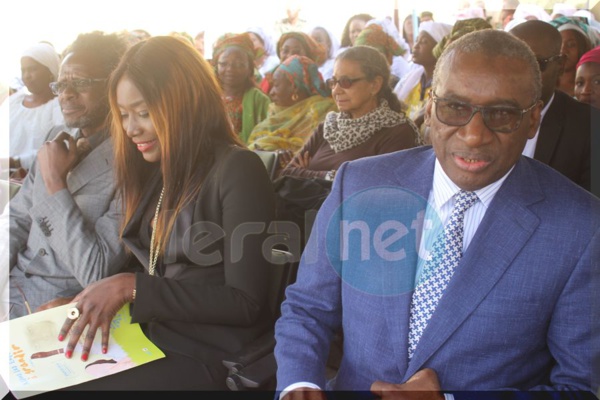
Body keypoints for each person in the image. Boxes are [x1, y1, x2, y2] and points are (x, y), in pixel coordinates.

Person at [274, 28, 599, 398]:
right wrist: (298, 383)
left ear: (533, 119)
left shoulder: (581, 228)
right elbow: (308, 307)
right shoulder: (360, 185)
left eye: (502, 113)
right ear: (430, 107)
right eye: (455, 108)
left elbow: (582, 387)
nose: (474, 134)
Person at [57, 35, 276, 391]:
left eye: (144, 113)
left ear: (185, 102)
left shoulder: (238, 169)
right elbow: (153, 266)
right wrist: (84, 302)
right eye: (124, 115)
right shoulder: (158, 170)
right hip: (148, 334)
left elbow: (246, 301)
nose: (131, 129)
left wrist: (133, 288)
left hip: (205, 350)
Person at [1, 31, 129, 320]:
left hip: (54, 307)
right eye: (61, 84)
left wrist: (54, 183)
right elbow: (17, 219)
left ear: (114, 86)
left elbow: (95, 271)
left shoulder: (132, 163)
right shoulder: (55, 138)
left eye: (81, 83)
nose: (66, 94)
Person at [279, 45, 418, 180]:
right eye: (334, 82)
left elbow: (370, 187)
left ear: (375, 85)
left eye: (346, 82)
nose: (336, 90)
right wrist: (330, 176)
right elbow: (288, 174)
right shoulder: (329, 127)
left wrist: (307, 173)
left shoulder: (397, 133)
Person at [510, 20, 593, 192]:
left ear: (560, 65)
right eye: (511, 62)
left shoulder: (589, 126)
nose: (520, 75)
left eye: (537, 64)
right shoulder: (478, 114)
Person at [247, 55, 337, 153]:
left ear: (295, 88)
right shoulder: (274, 113)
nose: (271, 92)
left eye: (276, 85)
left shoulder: (323, 111)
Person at [2, 42, 66, 175]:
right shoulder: (14, 102)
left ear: (50, 71)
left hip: (35, 179)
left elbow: (58, 148)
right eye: (23, 70)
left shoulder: (60, 107)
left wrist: (16, 162)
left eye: (32, 69)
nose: (26, 75)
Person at [393, 21, 453, 132]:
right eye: (417, 41)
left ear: (439, 48)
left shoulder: (448, 85)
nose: (415, 46)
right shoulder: (410, 79)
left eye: (424, 42)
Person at [211, 32, 270, 144]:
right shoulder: (207, 97)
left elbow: (266, 138)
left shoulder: (260, 100)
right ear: (216, 66)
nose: (230, 69)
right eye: (223, 64)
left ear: (250, 68)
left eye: (239, 65)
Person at [549, 16, 596, 97]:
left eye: (571, 45)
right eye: (559, 44)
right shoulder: (544, 84)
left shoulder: (591, 89)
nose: (563, 50)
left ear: (583, 48)